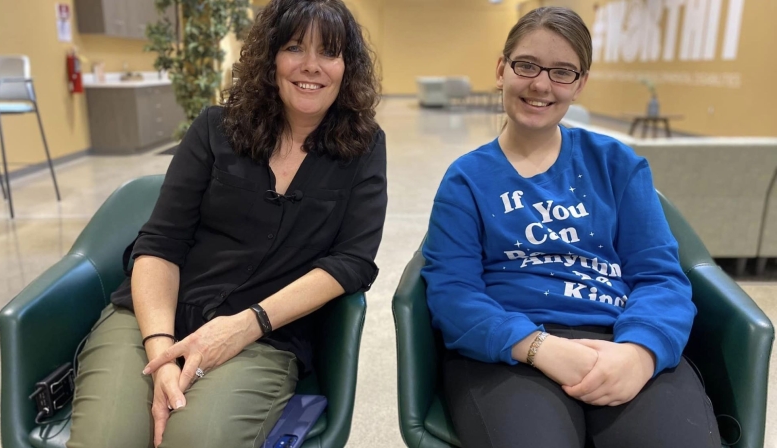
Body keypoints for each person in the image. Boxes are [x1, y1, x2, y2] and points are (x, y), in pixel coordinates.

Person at [67, 0, 386, 446]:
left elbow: (352, 261)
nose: (311, 66)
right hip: (152, 319)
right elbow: (160, 242)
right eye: (295, 47)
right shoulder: (216, 128)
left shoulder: (363, 147)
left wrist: (245, 324)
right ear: (270, 57)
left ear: (345, 67)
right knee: (109, 438)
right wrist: (160, 353)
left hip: (263, 336)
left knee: (196, 438)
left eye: (329, 52)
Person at [421, 7, 720, 448]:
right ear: (501, 70)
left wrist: (640, 352)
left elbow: (659, 276)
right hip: (511, 350)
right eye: (527, 65)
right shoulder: (466, 180)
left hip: (618, 337)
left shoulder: (618, 165)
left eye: (562, 72)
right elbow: (453, 294)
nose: (541, 84)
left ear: (580, 84)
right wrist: (540, 348)